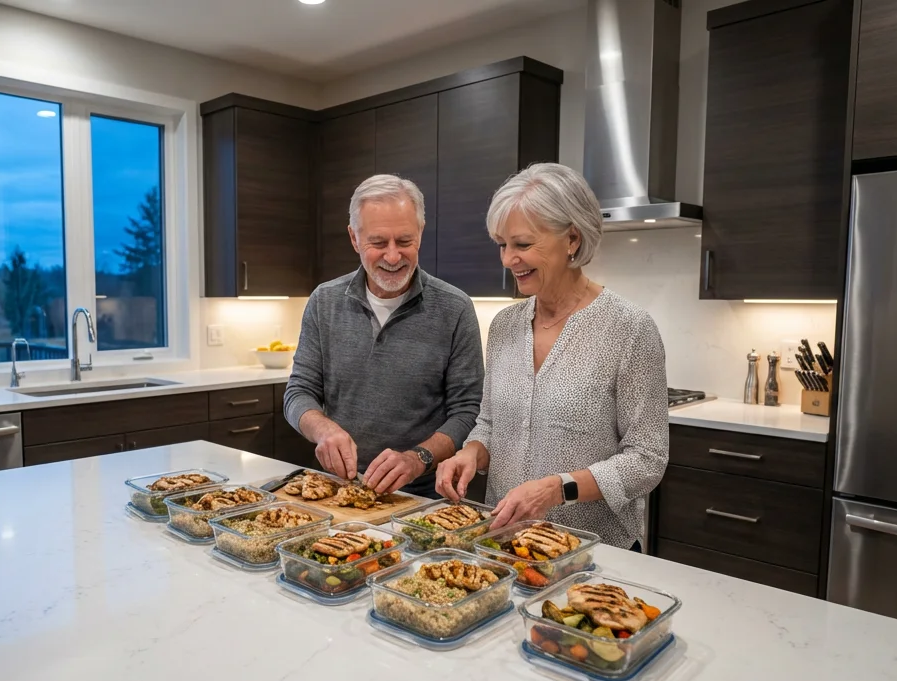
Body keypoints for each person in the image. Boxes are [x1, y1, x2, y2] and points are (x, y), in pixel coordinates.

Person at [435, 163, 668, 550]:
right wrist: (471, 454)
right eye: (502, 245)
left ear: (572, 239)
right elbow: (490, 423)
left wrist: (558, 489)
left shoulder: (628, 328)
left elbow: (647, 459)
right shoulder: (505, 325)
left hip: (591, 551)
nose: (508, 259)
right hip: (505, 545)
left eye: (523, 245)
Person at [284, 174, 484, 497]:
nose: (393, 257)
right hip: (338, 491)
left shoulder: (455, 308)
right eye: (378, 243)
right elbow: (298, 392)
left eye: (404, 241)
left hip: (421, 498)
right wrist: (323, 430)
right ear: (354, 238)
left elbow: (469, 411)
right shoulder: (324, 301)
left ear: (420, 233)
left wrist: (418, 458)